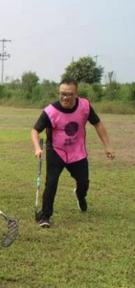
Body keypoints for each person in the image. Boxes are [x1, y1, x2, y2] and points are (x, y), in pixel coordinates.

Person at [31, 79, 115, 228]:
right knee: (51, 182)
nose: (65, 97)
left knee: (83, 182)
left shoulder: (84, 106)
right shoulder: (51, 111)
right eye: (62, 94)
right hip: (56, 151)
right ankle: (45, 215)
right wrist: (37, 148)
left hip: (77, 151)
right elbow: (35, 130)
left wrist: (107, 146)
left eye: (69, 94)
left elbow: (98, 124)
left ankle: (80, 194)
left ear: (76, 94)